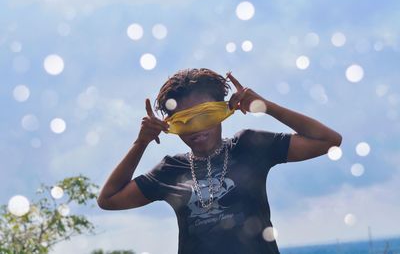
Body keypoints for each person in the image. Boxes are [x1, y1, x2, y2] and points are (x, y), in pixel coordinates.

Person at [97, 68, 342, 254]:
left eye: (206, 115)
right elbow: (108, 199)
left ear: (222, 111)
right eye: (185, 121)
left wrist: (265, 107)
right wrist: (141, 143)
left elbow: (328, 140)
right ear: (171, 126)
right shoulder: (169, 170)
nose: (197, 129)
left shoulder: (249, 145)